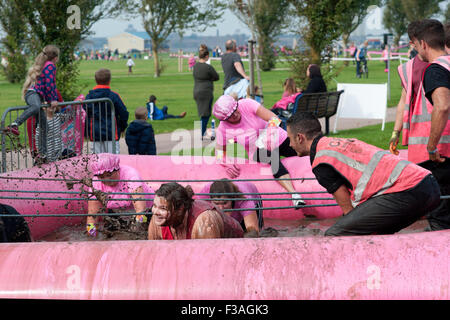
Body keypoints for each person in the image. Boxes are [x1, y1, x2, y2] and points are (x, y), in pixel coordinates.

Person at [286, 112, 441, 236]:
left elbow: (348, 211)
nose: (290, 145)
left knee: (336, 234)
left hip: (407, 190)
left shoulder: (321, 162)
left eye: (290, 139)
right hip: (429, 184)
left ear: (300, 138)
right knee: (377, 232)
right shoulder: (340, 142)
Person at [213, 95, 306, 208]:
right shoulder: (223, 129)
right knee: (272, 158)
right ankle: (294, 195)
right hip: (257, 151)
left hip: (277, 137)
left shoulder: (247, 104)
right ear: (224, 120)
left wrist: (270, 131)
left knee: (303, 151)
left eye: (235, 110)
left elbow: (274, 118)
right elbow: (218, 152)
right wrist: (226, 162)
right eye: (230, 116)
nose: (235, 115)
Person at [410, 19, 450, 230]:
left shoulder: (435, 70)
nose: (416, 51)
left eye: (415, 46)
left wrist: (432, 146)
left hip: (441, 155)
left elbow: (442, 106)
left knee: (439, 217)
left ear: (423, 44)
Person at [3, 45, 60, 162]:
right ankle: (14, 124)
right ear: (55, 57)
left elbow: (50, 85)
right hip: (33, 94)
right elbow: (50, 85)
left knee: (45, 127)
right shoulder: (50, 66)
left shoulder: (46, 65)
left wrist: (50, 99)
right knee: (36, 106)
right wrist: (53, 100)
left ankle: (42, 155)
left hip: (37, 96)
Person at [86, 153, 154, 238]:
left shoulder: (131, 176)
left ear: (117, 169)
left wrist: (135, 233)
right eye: (101, 176)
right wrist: (91, 237)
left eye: (109, 174)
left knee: (140, 234)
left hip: (146, 211)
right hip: (117, 213)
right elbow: (92, 216)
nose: (106, 179)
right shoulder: (96, 183)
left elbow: (141, 211)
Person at [147, 182, 244, 240]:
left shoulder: (204, 222)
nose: (156, 212)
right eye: (155, 206)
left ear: (180, 209)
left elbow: (209, 264)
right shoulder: (157, 221)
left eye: (163, 208)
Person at [389, 21, 430, 159]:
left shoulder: (443, 63)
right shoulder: (407, 68)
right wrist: (396, 133)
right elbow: (403, 101)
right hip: (417, 138)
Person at [85, 68, 129, 154]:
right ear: (109, 81)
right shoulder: (114, 96)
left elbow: (85, 114)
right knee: (112, 160)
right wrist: (123, 127)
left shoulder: (89, 96)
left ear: (96, 80)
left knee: (96, 160)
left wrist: (86, 131)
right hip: (111, 132)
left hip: (95, 132)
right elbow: (124, 113)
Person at [197, 179, 263, 234]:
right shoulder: (205, 193)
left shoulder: (244, 200)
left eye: (225, 203)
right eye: (216, 203)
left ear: (232, 198)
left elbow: (253, 232)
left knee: (250, 231)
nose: (221, 208)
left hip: (252, 196)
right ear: (210, 200)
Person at [193, 44, 219, 139]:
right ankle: (202, 132)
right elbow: (216, 77)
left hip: (196, 90)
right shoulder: (208, 67)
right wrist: (209, 79)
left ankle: (202, 131)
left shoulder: (195, 66)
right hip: (206, 91)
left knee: (202, 112)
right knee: (206, 113)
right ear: (207, 56)